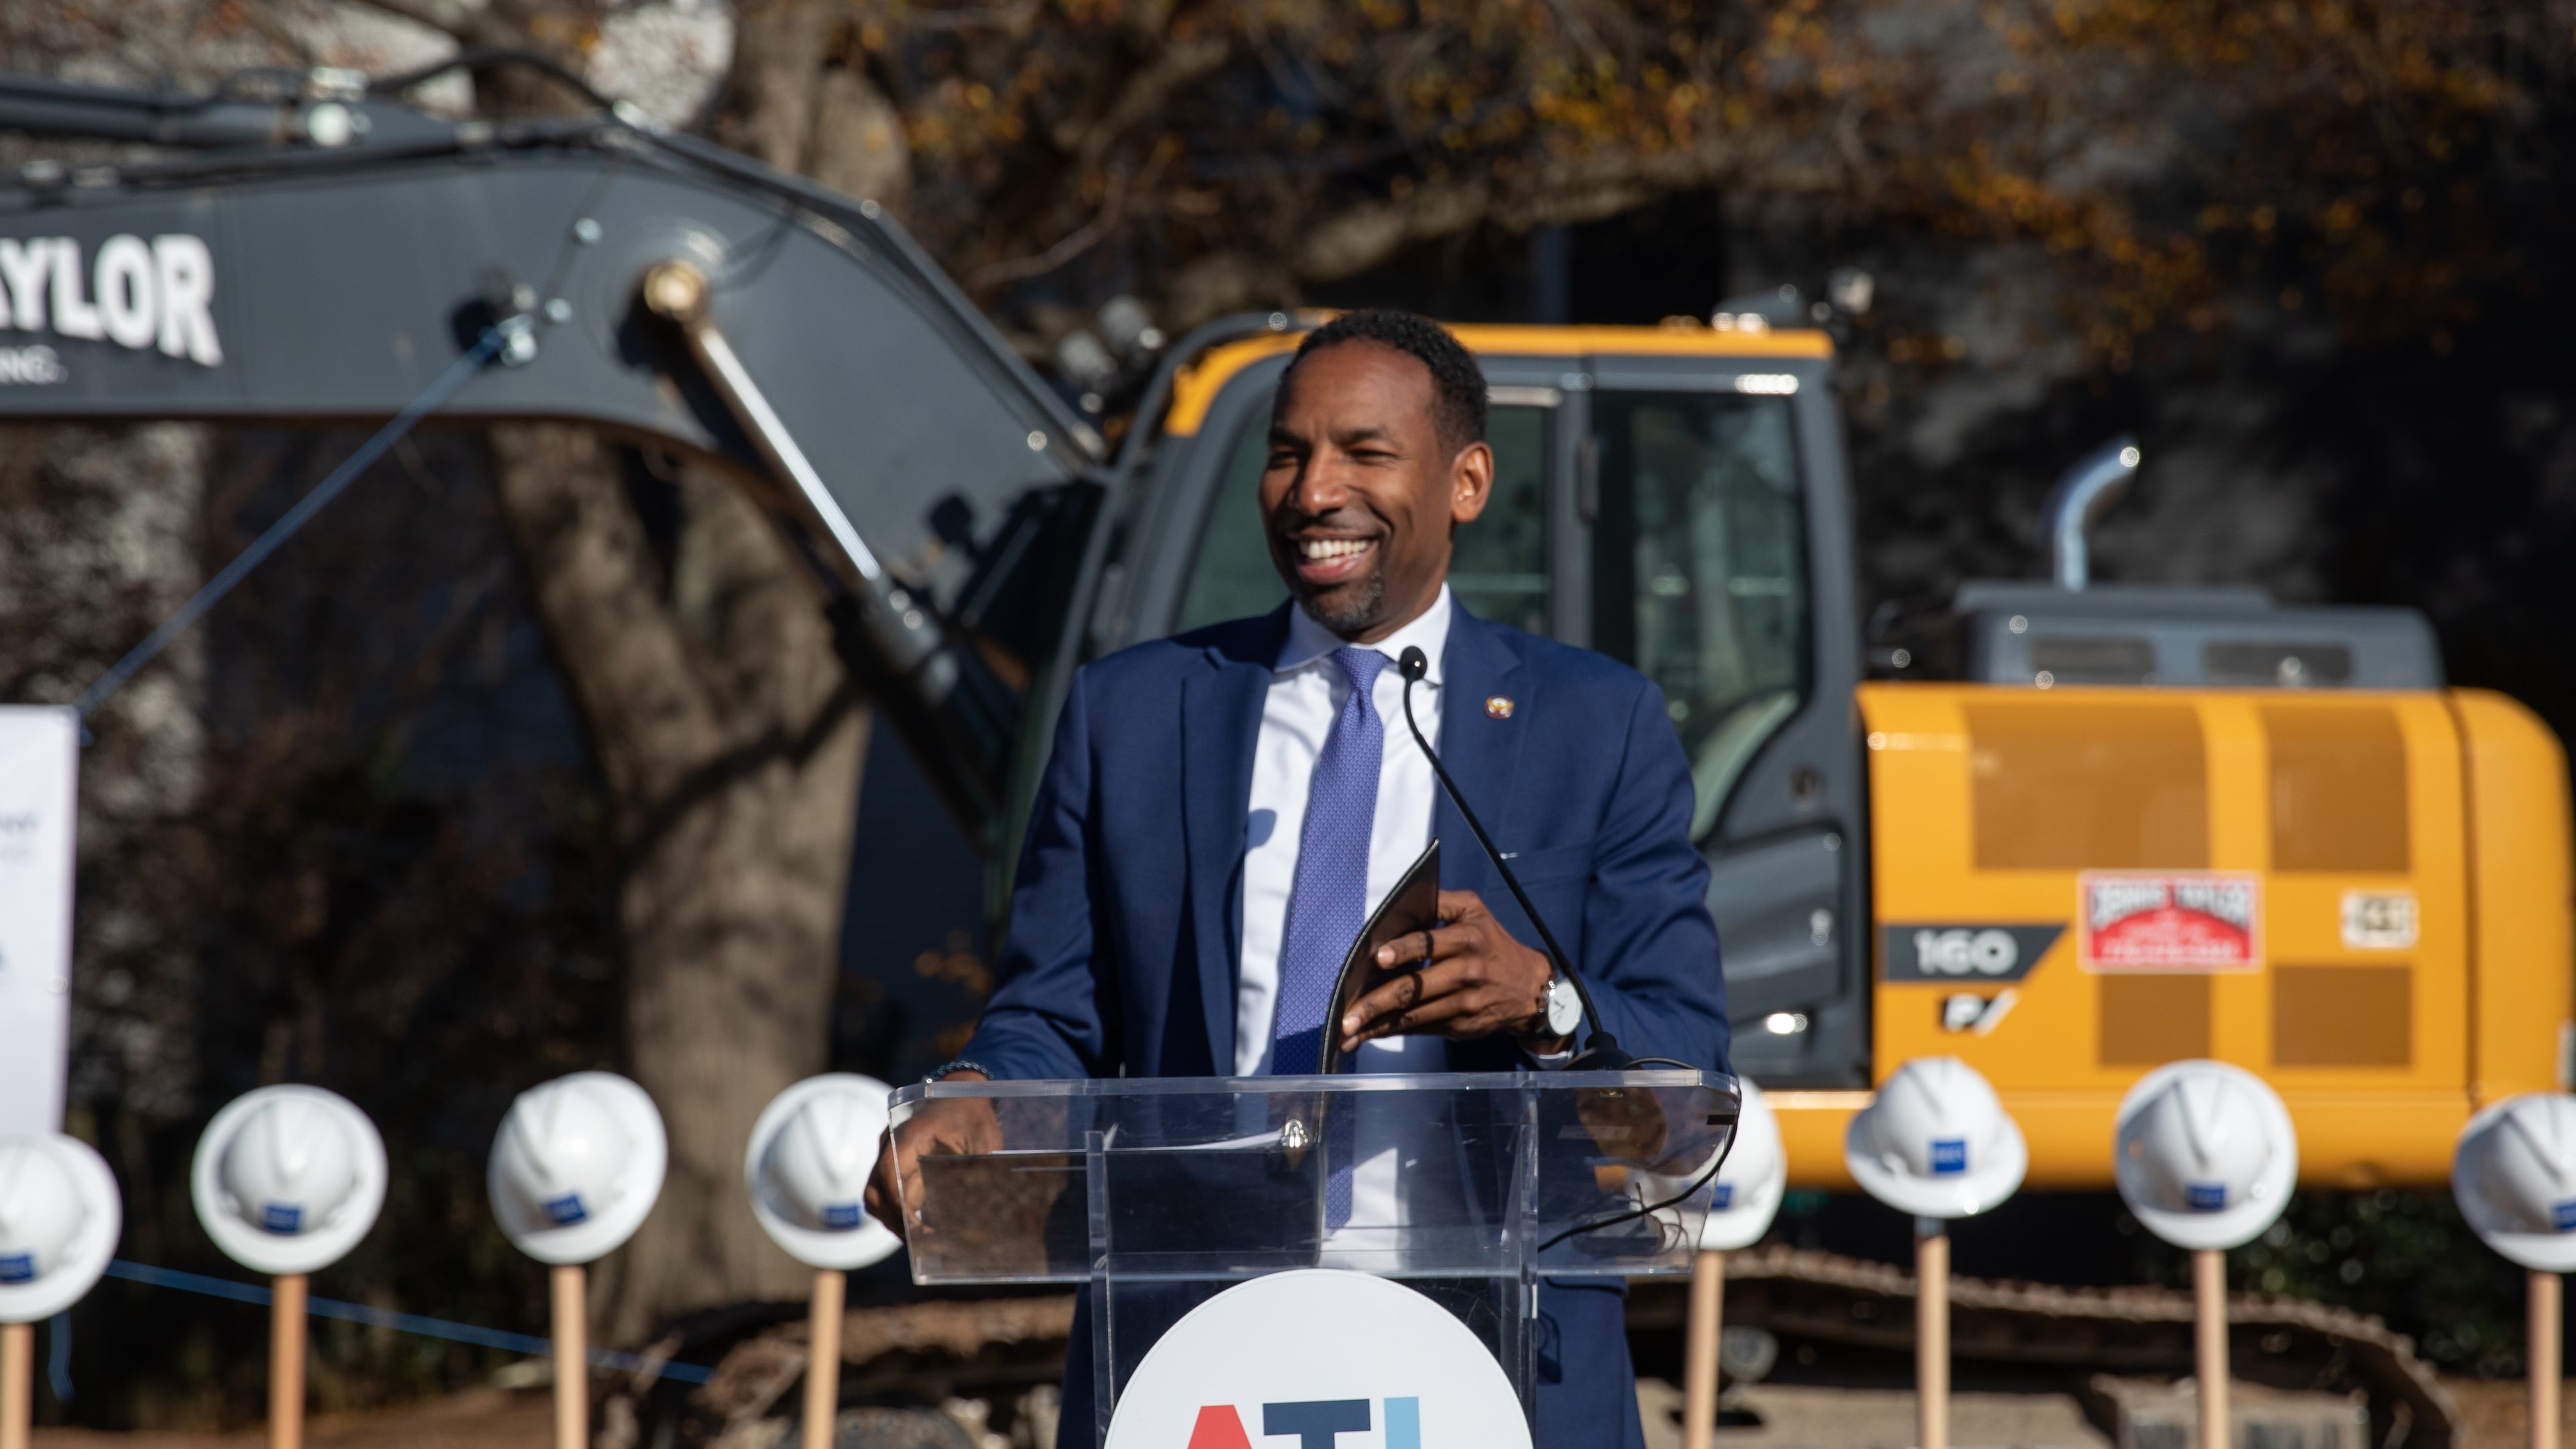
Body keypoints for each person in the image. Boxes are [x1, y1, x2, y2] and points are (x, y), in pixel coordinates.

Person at [868, 309, 1728, 1448]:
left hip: (1493, 1352)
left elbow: (1690, 1057)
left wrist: (1547, 1004)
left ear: (1466, 481)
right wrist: (975, 1096)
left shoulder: (1595, 723)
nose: (1314, 489)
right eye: (1287, 451)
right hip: (1197, 1345)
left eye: (1364, 452)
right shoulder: (1132, 712)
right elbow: (1050, 1016)